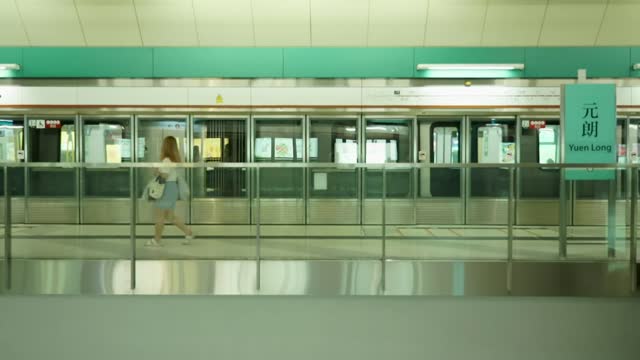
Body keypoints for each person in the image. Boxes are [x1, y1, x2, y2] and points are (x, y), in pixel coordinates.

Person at [145, 136, 194, 246]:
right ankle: (188, 232)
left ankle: (156, 240)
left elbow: (164, 176)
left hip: (165, 189)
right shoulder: (173, 160)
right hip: (171, 188)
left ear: (165, 146)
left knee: (159, 216)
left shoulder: (166, 160)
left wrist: (156, 171)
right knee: (170, 217)